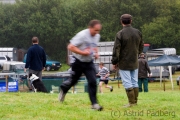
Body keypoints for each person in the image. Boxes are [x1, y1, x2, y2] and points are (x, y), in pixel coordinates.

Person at [59, 20, 103, 111]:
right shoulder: (82, 35)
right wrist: (82, 53)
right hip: (78, 61)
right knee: (73, 81)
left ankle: (94, 104)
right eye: (95, 30)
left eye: (98, 30)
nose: (97, 33)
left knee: (93, 81)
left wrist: (96, 53)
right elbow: (70, 47)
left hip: (89, 62)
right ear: (90, 28)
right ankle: (63, 89)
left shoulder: (97, 36)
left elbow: (95, 46)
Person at [111, 14, 144, 107]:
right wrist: (138, 53)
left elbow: (116, 49)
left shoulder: (120, 34)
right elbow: (141, 45)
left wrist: (114, 61)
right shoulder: (138, 32)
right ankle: (135, 102)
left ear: (121, 22)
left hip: (124, 62)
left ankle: (131, 103)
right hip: (134, 61)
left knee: (127, 82)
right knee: (134, 81)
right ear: (131, 21)